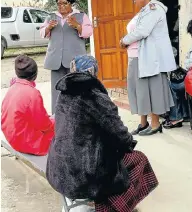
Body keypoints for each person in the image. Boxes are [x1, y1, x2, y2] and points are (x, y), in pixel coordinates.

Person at [46, 55, 158, 211]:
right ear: (94, 72)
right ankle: (112, 207)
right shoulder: (95, 97)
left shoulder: (64, 94)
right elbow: (121, 137)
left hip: (58, 169)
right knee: (138, 159)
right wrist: (127, 144)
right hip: (84, 175)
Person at [120, 0, 176, 136]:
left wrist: (124, 40)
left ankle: (155, 123)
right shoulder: (144, 11)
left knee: (152, 90)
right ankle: (143, 123)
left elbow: (142, 31)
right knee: (140, 91)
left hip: (149, 58)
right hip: (137, 56)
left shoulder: (153, 9)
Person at [40, 0, 93, 114]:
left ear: (71, 3)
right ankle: (58, 117)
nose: (61, 6)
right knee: (56, 90)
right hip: (56, 61)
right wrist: (48, 28)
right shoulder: (51, 17)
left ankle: (77, 116)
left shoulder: (81, 16)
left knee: (76, 89)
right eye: (59, 4)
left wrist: (77, 26)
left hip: (75, 61)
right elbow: (42, 33)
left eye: (64, 3)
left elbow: (88, 33)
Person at [1, 55, 54, 156]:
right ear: (35, 75)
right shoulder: (33, 93)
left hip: (10, 134)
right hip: (25, 142)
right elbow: (44, 125)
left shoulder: (13, 87)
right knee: (63, 131)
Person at [163, 18, 192, 129]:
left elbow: (191, 62)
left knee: (173, 86)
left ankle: (176, 117)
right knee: (175, 82)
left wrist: (187, 61)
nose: (190, 34)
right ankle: (183, 114)